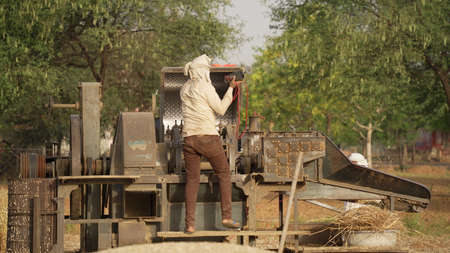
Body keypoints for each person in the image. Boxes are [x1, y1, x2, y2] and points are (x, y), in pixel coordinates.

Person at [180, 54, 241, 233]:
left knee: (192, 180)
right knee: (223, 172)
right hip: (207, 137)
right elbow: (221, 109)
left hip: (189, 138)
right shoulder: (206, 87)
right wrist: (230, 89)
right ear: (203, 71)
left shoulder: (184, 89)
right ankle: (227, 216)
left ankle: (190, 224)